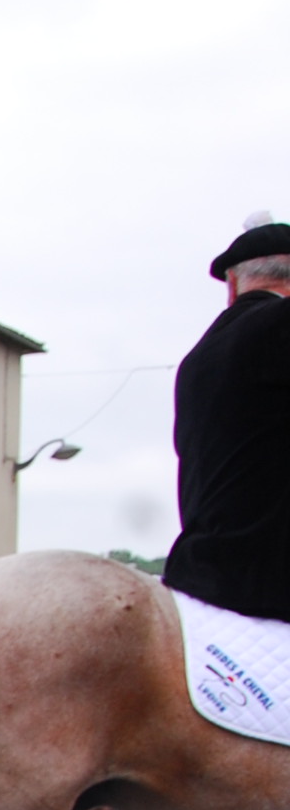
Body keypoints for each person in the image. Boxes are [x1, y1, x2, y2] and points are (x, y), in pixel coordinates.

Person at [160, 219, 290, 622]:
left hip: (199, 572)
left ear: (232, 286)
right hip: (270, 583)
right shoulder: (279, 326)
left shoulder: (197, 358)